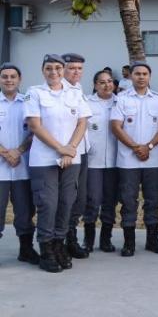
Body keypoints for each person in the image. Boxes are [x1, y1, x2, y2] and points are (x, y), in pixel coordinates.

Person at [24, 54, 90, 272]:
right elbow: (35, 125)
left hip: (71, 157)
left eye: (57, 68)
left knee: (66, 202)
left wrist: (69, 149)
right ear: (43, 70)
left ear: (63, 70)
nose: (53, 72)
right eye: (49, 68)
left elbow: (82, 123)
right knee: (48, 203)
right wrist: (60, 148)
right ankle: (46, 249)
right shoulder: (35, 93)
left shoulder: (75, 92)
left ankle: (59, 244)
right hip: (44, 159)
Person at [111, 61, 158, 257]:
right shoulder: (121, 99)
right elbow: (116, 127)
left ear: (149, 77)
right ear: (131, 76)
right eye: (137, 74)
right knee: (129, 201)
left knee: (153, 200)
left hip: (153, 160)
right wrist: (136, 148)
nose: (141, 77)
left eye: (145, 74)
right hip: (128, 161)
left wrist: (148, 147)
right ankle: (129, 243)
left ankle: (153, 240)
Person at [0, 63, 39, 265]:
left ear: (19, 79)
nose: (9, 80)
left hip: (23, 169)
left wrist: (18, 151)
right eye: (5, 76)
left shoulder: (28, 103)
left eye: (12, 76)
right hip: (0, 169)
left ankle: (26, 250)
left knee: (25, 213)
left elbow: (35, 131)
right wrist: (6, 153)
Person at [82, 70, 119, 253]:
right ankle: (88, 240)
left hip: (115, 161)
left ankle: (106, 239)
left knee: (110, 201)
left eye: (110, 81)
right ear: (95, 85)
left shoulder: (120, 102)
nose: (107, 85)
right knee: (93, 200)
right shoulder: (87, 103)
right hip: (93, 161)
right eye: (102, 82)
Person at [61, 53, 91, 259]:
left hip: (83, 152)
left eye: (79, 68)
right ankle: (60, 241)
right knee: (66, 199)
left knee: (79, 199)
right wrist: (68, 149)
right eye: (72, 68)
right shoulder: (58, 91)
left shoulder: (78, 89)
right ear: (61, 69)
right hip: (67, 153)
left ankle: (71, 237)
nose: (76, 72)